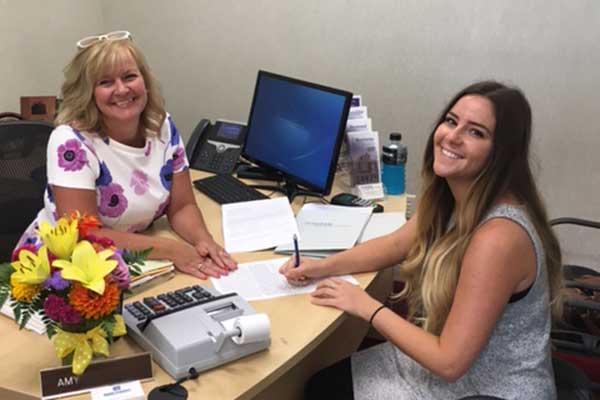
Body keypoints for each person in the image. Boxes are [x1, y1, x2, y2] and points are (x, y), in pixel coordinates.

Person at [280, 81, 563, 399]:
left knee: (325, 391)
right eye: (452, 121)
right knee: (323, 384)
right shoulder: (454, 198)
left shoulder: (498, 238)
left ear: (501, 154)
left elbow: (449, 362)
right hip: (455, 369)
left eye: (476, 132)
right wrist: (320, 266)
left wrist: (365, 306)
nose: (452, 137)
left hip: (489, 388)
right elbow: (393, 245)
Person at [14, 31, 236, 279]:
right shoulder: (71, 142)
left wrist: (203, 241)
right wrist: (171, 250)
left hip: (138, 254)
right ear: (88, 92)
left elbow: (182, 206)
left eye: (129, 76)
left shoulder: (161, 126)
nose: (122, 90)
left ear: (145, 81)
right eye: (105, 82)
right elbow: (85, 236)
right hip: (64, 268)